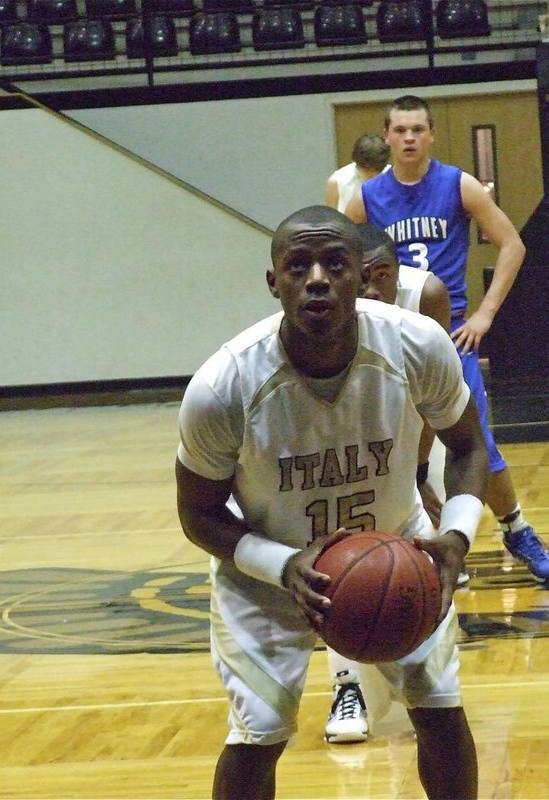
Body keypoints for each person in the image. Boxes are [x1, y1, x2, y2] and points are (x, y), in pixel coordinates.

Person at [175, 204, 489, 800]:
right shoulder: (224, 385)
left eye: (334, 263)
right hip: (270, 571)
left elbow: (469, 444)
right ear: (275, 283)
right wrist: (281, 566)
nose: (316, 277)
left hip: (398, 548)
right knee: (259, 733)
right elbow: (197, 514)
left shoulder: (416, 343)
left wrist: (455, 537)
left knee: (441, 708)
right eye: (298, 265)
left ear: (363, 276)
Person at [344, 94, 549, 585]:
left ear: (431, 134)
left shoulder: (457, 184)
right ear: (386, 136)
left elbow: (512, 244)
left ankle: (517, 527)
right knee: (393, 448)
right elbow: (338, 258)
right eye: (400, 130)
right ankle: (429, 540)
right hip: (388, 334)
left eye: (417, 129)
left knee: (477, 440)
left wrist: (485, 314)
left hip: (448, 334)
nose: (408, 138)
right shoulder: (365, 199)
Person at [324, 222, 455, 746]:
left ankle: (430, 673)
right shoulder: (328, 309)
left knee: (422, 559)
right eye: (365, 279)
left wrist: (420, 475)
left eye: (384, 275)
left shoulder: (427, 296)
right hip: (354, 438)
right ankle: (347, 685)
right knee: (346, 556)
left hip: (423, 423)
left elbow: (434, 410)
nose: (374, 288)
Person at [325, 133, 390, 213]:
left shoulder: (394, 178)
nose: (371, 175)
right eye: (367, 170)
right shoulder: (337, 181)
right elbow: (331, 221)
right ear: (355, 161)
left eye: (376, 170)